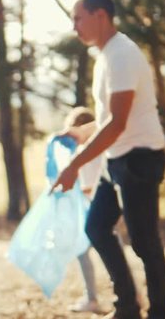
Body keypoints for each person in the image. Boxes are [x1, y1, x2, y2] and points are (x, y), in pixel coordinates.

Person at [51, 0, 165, 319]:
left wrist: (75, 166)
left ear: (100, 15)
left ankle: (161, 313)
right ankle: (128, 307)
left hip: (140, 157)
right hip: (117, 159)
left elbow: (118, 123)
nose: (74, 26)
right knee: (97, 227)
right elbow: (109, 120)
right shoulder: (104, 55)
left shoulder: (122, 55)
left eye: (78, 18)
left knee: (145, 243)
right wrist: (80, 133)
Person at [61, 107, 105, 314]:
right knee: (103, 252)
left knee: (100, 252)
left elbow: (93, 183)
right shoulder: (96, 151)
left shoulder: (92, 153)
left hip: (98, 209)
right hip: (93, 208)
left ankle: (94, 297)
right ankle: (94, 297)